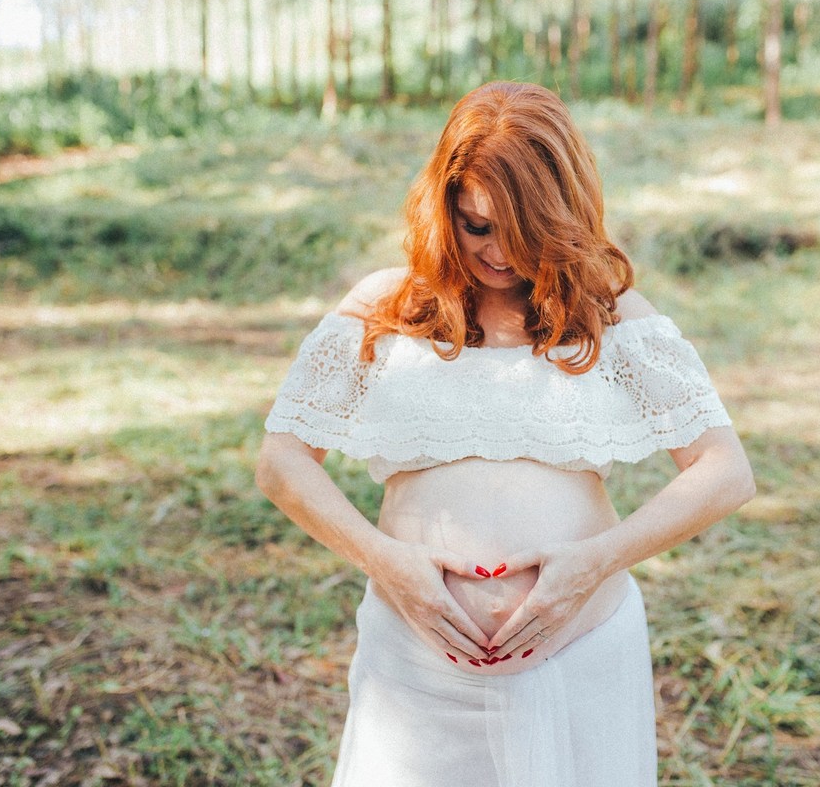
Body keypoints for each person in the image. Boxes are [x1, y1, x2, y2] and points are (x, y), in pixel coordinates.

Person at [255, 81, 755, 787]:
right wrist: (385, 562)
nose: (494, 252)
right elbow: (281, 462)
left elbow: (723, 469)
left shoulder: (606, 314)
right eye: (475, 224)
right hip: (417, 667)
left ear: (560, 212)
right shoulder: (386, 306)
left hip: (580, 658)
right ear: (444, 206)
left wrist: (594, 563)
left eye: (517, 230)